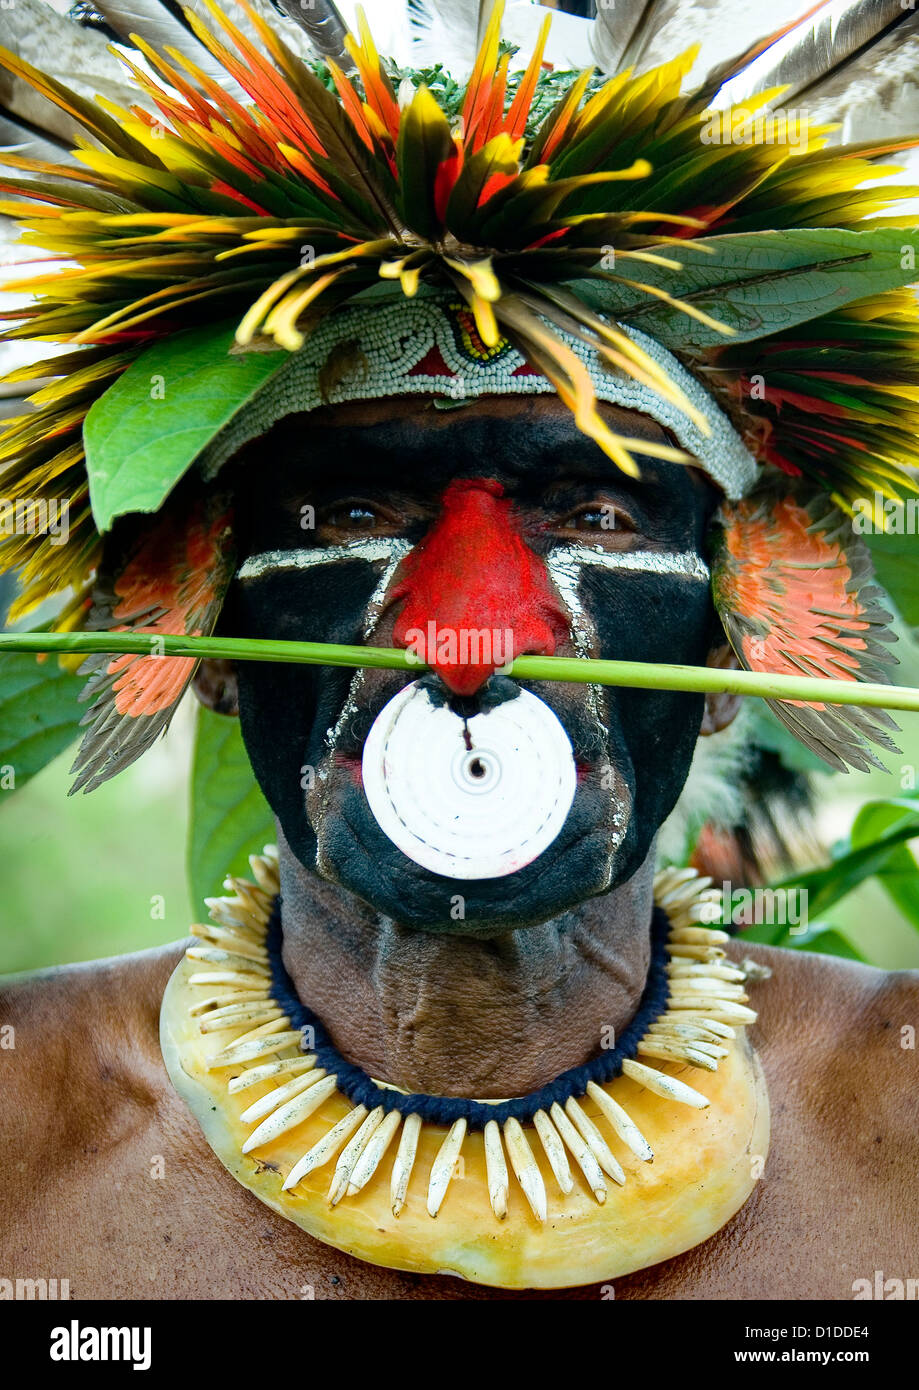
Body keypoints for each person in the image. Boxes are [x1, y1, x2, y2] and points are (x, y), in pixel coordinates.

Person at [0, 0, 917, 1298]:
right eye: (356, 508)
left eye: (596, 512)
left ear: (747, 612)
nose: (468, 634)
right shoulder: (23, 1130)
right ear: (186, 612)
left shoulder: (899, 1115)